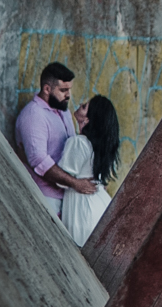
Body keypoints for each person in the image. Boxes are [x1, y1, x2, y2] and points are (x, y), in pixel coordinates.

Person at [15, 62, 96, 219]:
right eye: (63, 90)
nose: (68, 95)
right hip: (44, 196)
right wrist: (75, 183)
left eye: (69, 90)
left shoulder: (62, 110)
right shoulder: (34, 115)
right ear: (47, 89)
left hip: (66, 195)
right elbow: (38, 160)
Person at [58, 95, 121, 246]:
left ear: (88, 120)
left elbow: (61, 179)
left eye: (85, 106)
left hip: (83, 209)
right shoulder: (98, 146)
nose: (80, 104)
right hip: (101, 205)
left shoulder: (79, 143)